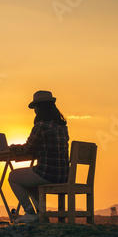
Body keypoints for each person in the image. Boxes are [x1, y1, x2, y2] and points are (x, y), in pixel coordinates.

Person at [8, 90, 70, 223]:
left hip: (48, 174)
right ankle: (41, 215)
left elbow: (28, 148)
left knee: (13, 176)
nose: (34, 111)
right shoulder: (62, 127)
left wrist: (14, 149)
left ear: (40, 108)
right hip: (64, 175)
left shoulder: (41, 126)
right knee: (29, 180)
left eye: (35, 107)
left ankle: (30, 213)